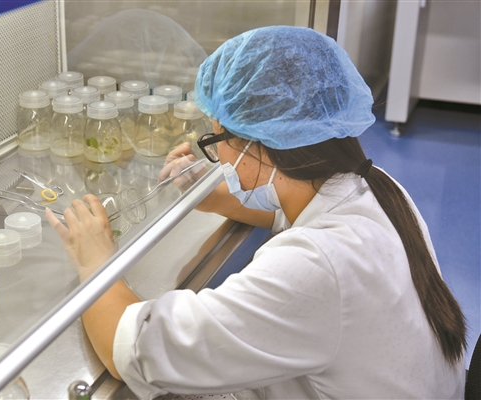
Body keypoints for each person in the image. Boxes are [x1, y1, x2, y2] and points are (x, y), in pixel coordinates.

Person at [46, 26, 467, 399]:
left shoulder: (314, 268)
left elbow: (134, 350)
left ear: (259, 144)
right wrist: (211, 195)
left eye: (216, 139)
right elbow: (290, 211)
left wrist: (95, 262)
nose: (216, 153)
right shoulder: (371, 185)